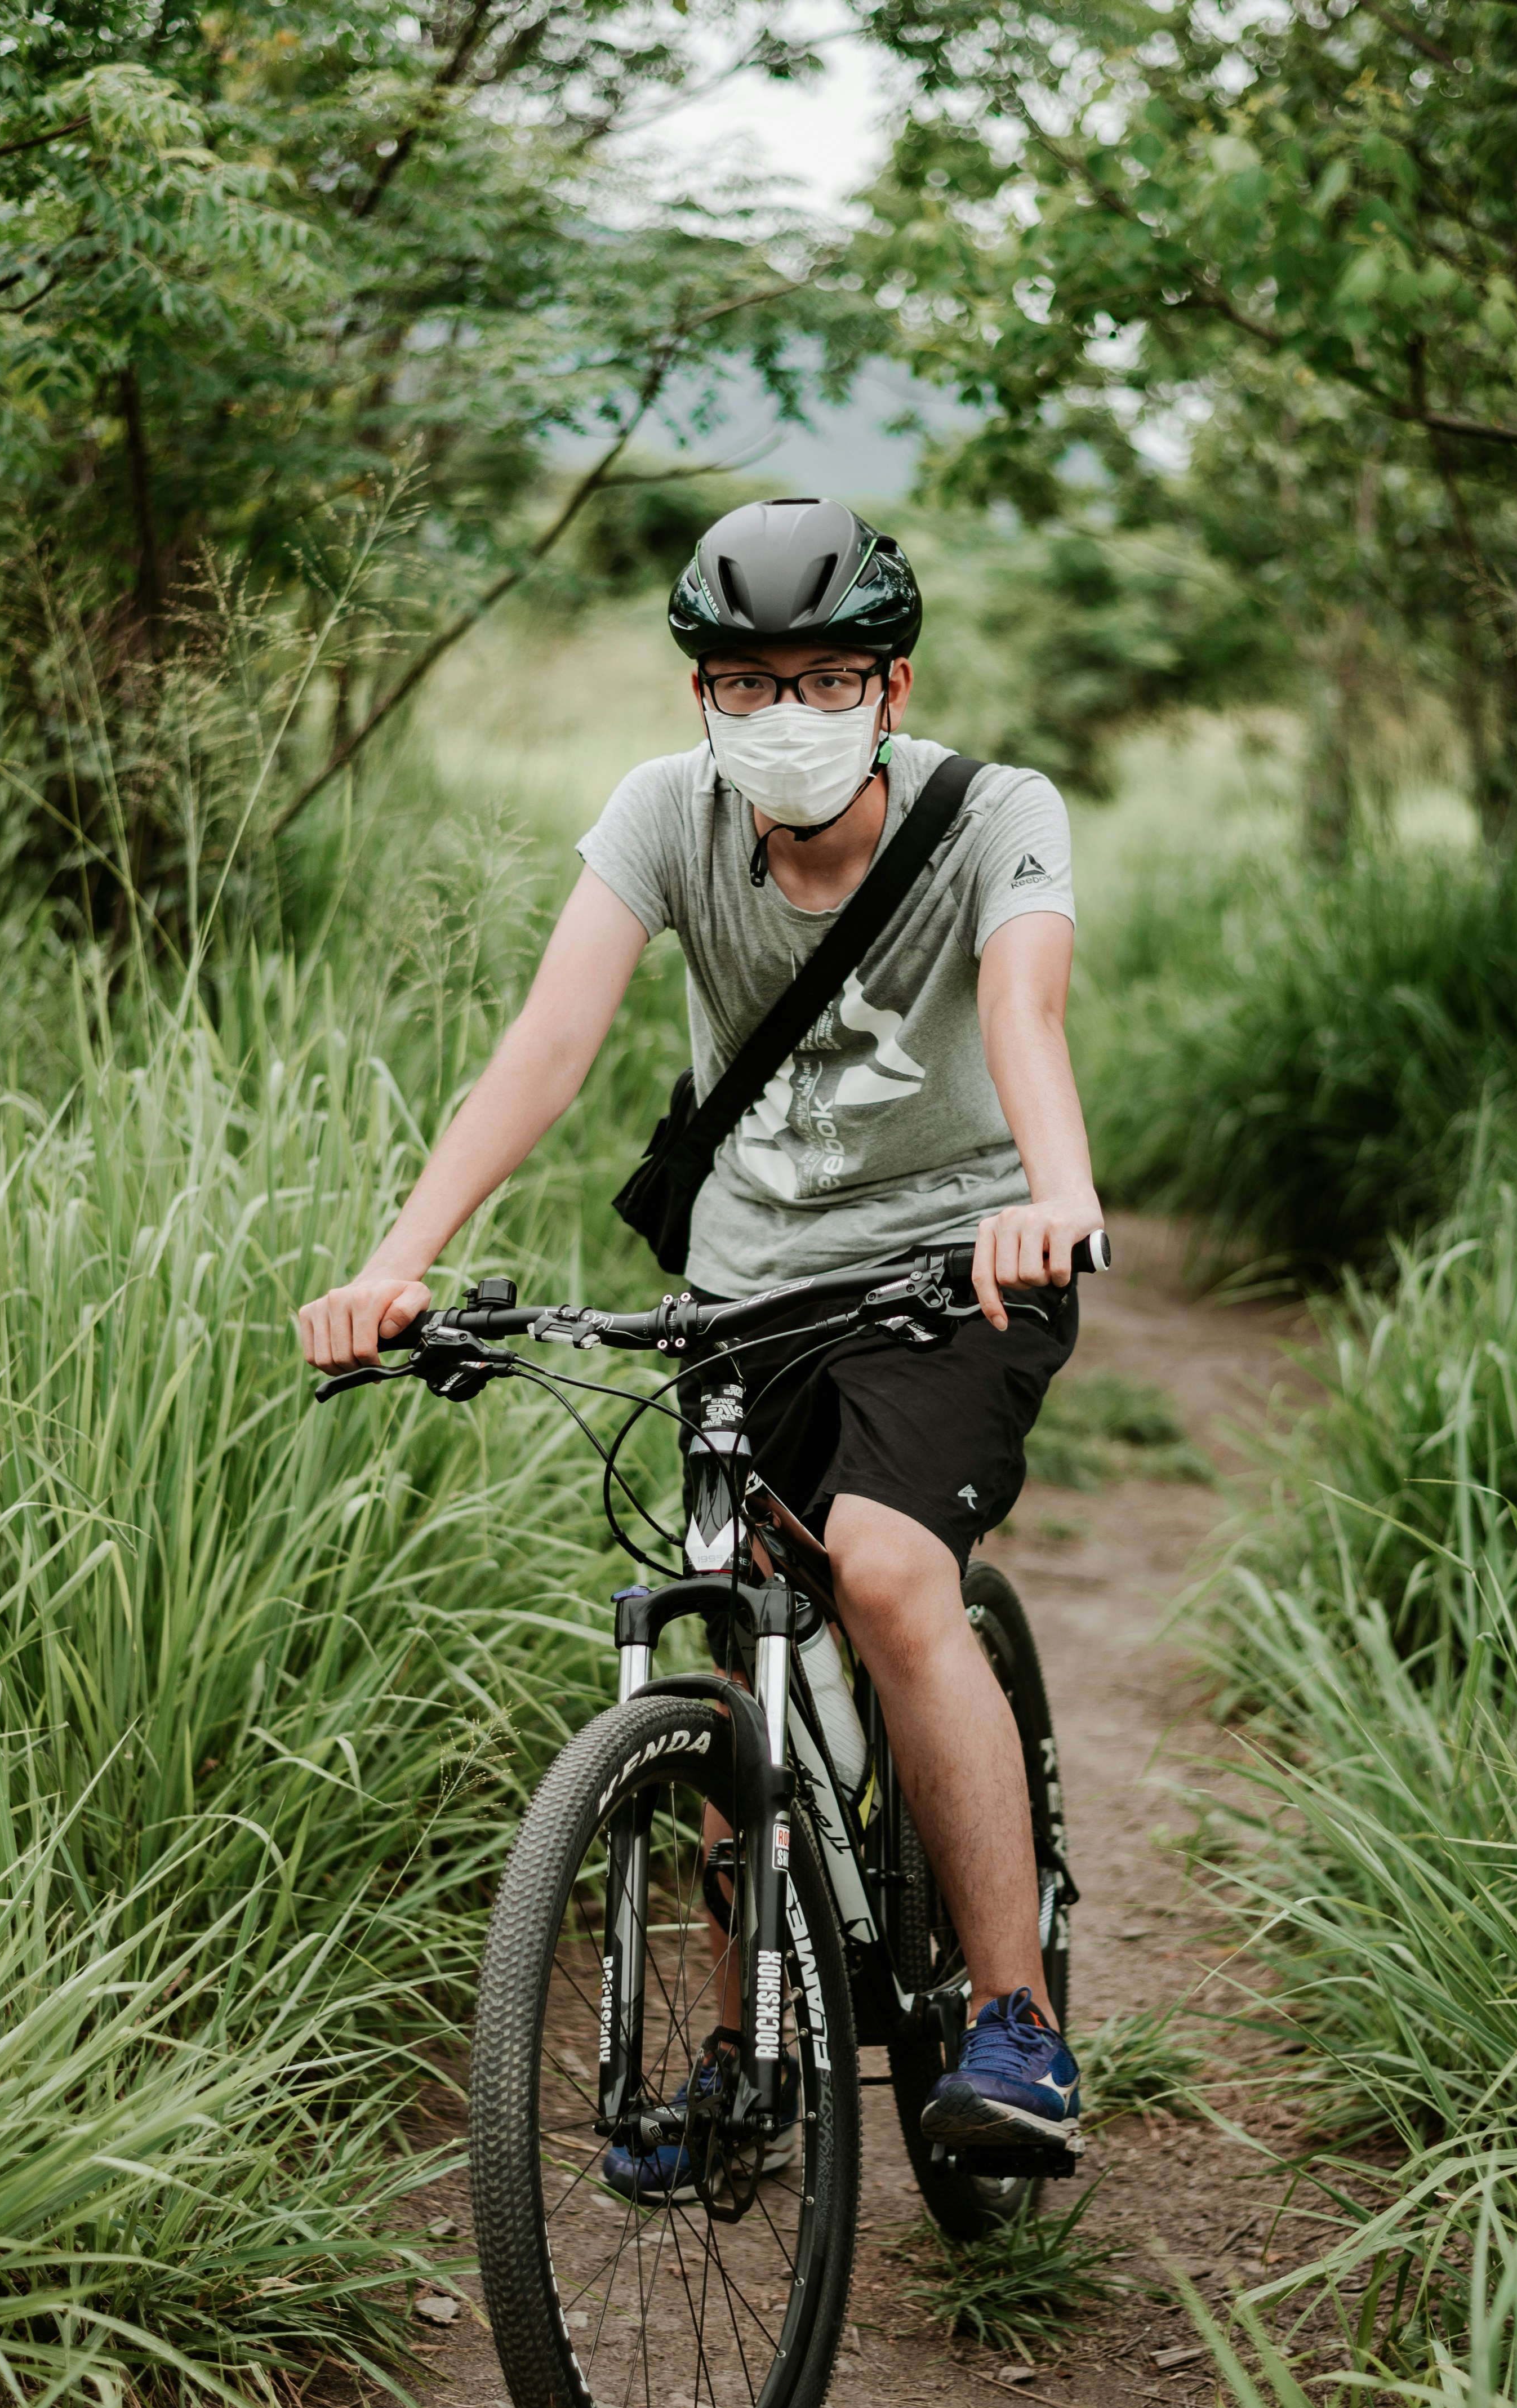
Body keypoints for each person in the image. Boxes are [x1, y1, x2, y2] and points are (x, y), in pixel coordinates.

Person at [297, 495, 1100, 2179]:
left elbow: (1025, 1007)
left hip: (957, 1272)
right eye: (745, 682)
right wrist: (400, 1258)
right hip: (748, 1285)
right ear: (701, 699)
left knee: (882, 1574)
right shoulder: (664, 817)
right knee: (739, 1648)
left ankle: (1018, 2021)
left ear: (893, 685)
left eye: (824, 679)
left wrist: (1054, 1195)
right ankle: (747, 2056)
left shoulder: (992, 814)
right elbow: (550, 1040)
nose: (784, 715)